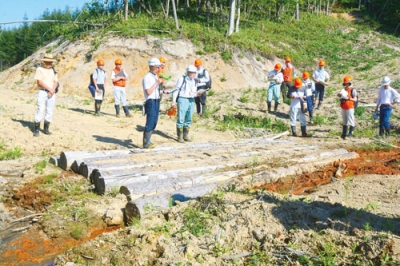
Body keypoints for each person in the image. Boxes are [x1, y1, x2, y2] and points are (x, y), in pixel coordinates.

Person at [170, 65, 199, 142]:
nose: (193, 74)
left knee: (189, 118)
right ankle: (180, 136)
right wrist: (174, 101)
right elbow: (176, 90)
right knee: (181, 118)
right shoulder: (182, 79)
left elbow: (194, 91)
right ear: (188, 72)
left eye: (194, 73)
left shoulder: (195, 81)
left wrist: (197, 94)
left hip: (191, 100)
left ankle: (186, 135)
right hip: (183, 99)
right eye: (192, 73)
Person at [33, 53, 59, 137]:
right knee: (40, 108)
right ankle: (36, 129)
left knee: (49, 110)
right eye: (47, 62)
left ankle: (46, 128)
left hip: (51, 92)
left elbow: (56, 81)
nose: (49, 63)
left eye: (50, 62)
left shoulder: (53, 70)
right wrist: (50, 89)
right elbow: (39, 82)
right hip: (43, 91)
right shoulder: (39, 69)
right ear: (44, 61)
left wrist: (53, 90)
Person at [142, 58, 163, 148]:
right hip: (150, 101)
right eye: (157, 67)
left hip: (156, 100)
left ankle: (148, 141)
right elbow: (148, 92)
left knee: (154, 122)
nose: (158, 69)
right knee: (150, 121)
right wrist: (156, 83)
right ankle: (146, 143)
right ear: (153, 67)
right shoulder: (147, 77)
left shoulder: (155, 76)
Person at [337, 76, 357, 140]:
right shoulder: (344, 90)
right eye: (345, 83)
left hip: (350, 107)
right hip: (344, 106)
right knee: (344, 121)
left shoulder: (353, 90)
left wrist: (348, 98)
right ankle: (344, 134)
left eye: (347, 83)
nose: (346, 84)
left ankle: (351, 134)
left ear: (350, 83)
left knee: (351, 120)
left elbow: (355, 99)